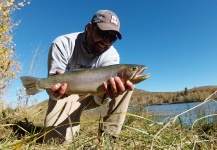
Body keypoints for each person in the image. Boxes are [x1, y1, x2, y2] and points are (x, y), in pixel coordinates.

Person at [42, 10, 135, 143]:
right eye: (102, 34)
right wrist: (54, 91)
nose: (106, 41)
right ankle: (71, 125)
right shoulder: (63, 43)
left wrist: (107, 93)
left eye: (112, 38)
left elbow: (102, 96)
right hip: (68, 94)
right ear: (89, 27)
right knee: (56, 141)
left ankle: (109, 137)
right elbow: (53, 85)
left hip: (96, 94)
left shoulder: (111, 55)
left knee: (125, 83)